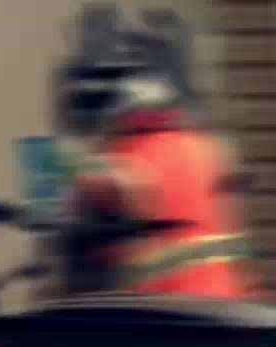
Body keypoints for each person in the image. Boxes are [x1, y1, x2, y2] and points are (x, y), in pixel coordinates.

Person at [60, 64, 261, 299]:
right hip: (223, 302)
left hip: (164, 307)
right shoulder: (209, 151)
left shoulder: (121, 162)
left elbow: (80, 233)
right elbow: (233, 226)